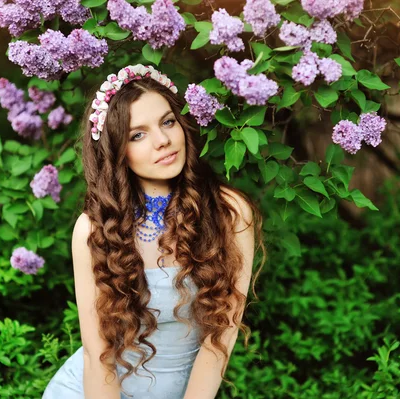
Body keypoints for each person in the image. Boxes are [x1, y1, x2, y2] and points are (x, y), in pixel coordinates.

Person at [42, 64, 265, 399]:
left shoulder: (229, 213)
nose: (163, 141)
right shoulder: (93, 228)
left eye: (167, 122)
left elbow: (221, 339)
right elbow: (96, 354)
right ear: (117, 150)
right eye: (138, 134)